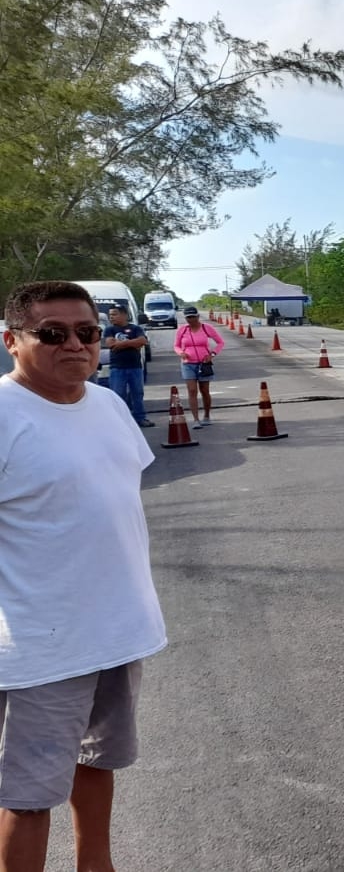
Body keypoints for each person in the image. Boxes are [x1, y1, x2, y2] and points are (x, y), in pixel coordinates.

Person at [0, 281, 167, 872]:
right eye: (52, 333)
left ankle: (97, 865)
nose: (74, 344)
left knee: (98, 763)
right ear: (11, 341)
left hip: (118, 633)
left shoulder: (109, 405)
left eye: (86, 332)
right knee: (29, 796)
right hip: (42, 646)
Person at [102, 305, 154, 427]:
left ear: (124, 315)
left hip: (135, 366)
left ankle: (140, 418)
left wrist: (120, 344)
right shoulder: (109, 330)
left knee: (137, 393)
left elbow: (142, 341)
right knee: (118, 394)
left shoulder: (135, 328)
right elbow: (111, 344)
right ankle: (120, 420)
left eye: (114, 314)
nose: (111, 317)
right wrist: (132, 343)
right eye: (110, 315)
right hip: (117, 367)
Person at [173, 307, 223, 428]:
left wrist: (212, 354)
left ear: (198, 316)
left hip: (203, 364)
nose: (191, 320)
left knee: (204, 391)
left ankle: (206, 415)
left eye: (193, 317)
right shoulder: (182, 330)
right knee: (192, 391)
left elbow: (220, 342)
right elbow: (176, 346)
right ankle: (195, 419)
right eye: (188, 317)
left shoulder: (206, 328)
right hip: (188, 363)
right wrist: (181, 353)